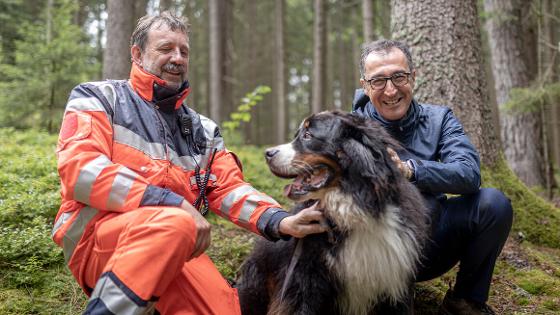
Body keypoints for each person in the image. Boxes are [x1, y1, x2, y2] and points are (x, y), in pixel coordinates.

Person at [52, 11, 326, 315]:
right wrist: (173, 204)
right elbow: (81, 171)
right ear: (137, 54)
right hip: (96, 238)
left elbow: (229, 189)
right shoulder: (98, 98)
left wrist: (280, 220)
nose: (178, 58)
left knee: (226, 309)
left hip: (175, 242)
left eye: (184, 51)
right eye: (166, 48)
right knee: (174, 223)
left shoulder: (202, 129)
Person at [352, 39, 513, 315]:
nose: (390, 90)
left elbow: (469, 173)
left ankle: (465, 302)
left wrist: (411, 170)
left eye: (399, 77)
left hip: (432, 246)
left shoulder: (439, 119)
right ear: (365, 85)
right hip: (372, 255)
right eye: (378, 81)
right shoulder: (349, 128)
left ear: (413, 77)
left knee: (493, 204)